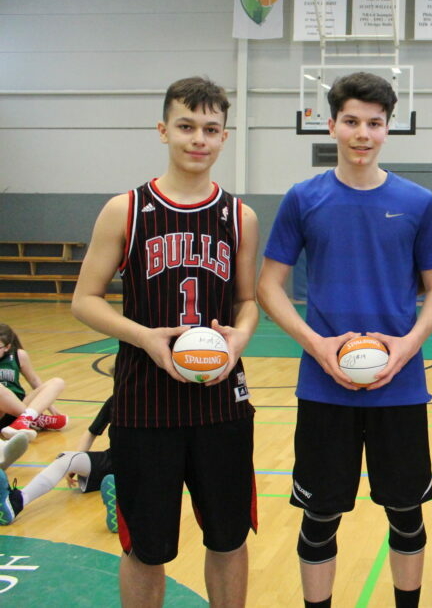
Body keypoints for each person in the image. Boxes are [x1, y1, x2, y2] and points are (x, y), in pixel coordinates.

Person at [256, 72, 432, 608]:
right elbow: (268, 286)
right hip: (324, 387)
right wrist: (316, 344)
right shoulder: (304, 198)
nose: (362, 134)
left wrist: (408, 345)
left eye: (374, 123)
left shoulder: (418, 202)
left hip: (399, 387)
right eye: (351, 121)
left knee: (406, 514)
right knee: (319, 517)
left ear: (389, 128)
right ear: (331, 124)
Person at [71, 76, 259, 608]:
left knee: (229, 538)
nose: (198, 139)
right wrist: (145, 338)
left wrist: (240, 338)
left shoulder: (240, 217)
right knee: (146, 549)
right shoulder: (126, 210)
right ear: (163, 130)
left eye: (210, 129)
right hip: (144, 405)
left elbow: (247, 300)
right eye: (186, 126)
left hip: (222, 404)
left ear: (224, 137)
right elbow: (84, 299)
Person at [0, 396, 118, 532]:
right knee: (66, 458)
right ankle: (16, 502)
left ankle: (123, 514)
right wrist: (75, 464)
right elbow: (91, 432)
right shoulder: (117, 399)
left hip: (139, 468)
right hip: (114, 459)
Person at [0, 322, 68, 437]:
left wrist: (50, 407)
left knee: (57, 382)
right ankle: (36, 419)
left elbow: (34, 380)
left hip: (21, 404)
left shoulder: (18, 355)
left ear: (7, 347)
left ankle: (25, 419)